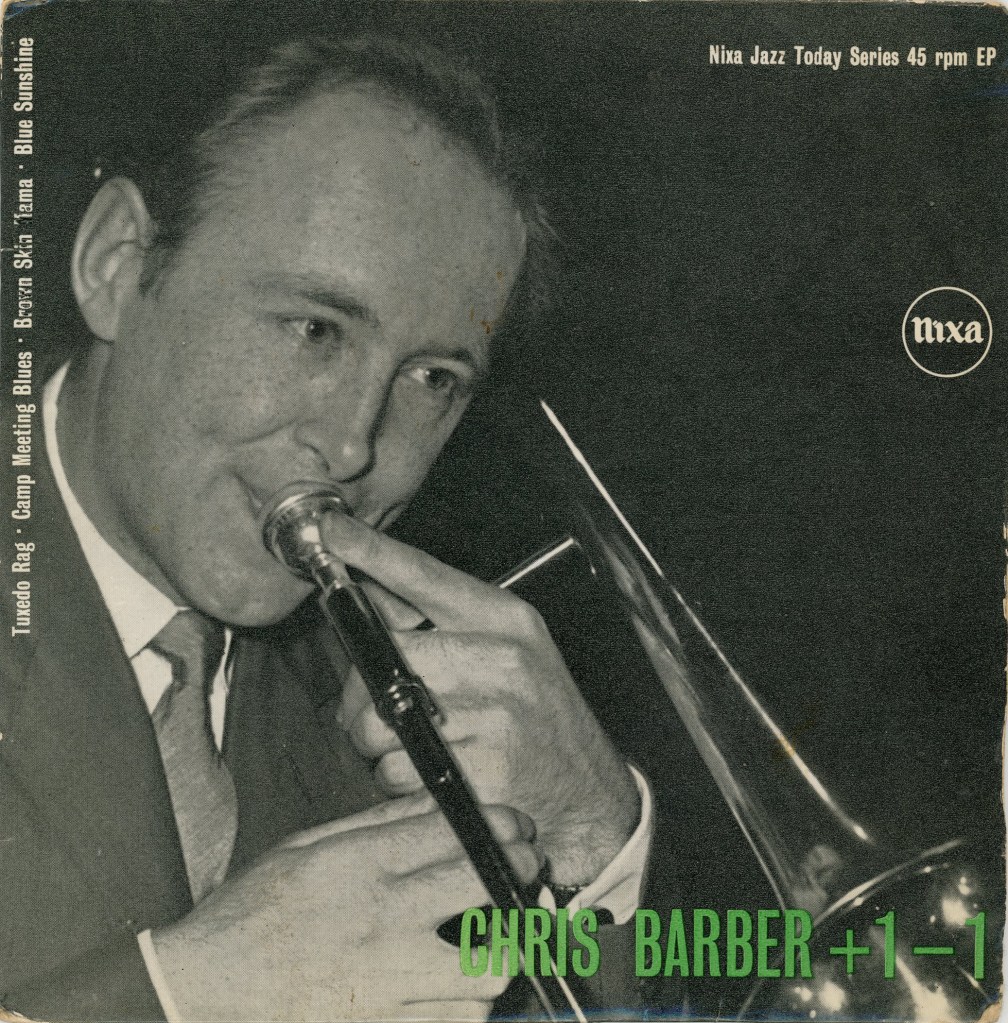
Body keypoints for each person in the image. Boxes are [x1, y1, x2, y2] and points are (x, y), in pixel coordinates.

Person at [0, 32, 652, 1023]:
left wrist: (592, 838)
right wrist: (186, 995)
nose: (353, 446)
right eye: (315, 329)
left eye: (432, 379)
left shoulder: (379, 694)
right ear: (116, 267)